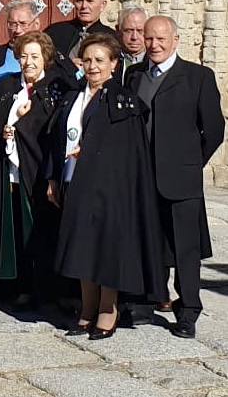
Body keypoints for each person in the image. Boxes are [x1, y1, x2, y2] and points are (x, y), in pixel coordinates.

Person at [47, 34, 166, 340]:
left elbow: (127, 153)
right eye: (87, 60)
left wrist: (92, 156)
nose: (93, 66)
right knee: (82, 250)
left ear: (114, 64)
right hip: (74, 184)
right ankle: (86, 309)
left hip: (108, 190)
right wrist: (52, 178)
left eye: (100, 60)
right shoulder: (73, 97)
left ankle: (106, 311)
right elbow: (57, 140)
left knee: (106, 252)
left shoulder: (123, 102)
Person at [125, 15, 225, 339]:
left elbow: (214, 130)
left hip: (180, 179)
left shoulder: (198, 76)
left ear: (176, 40)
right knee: (147, 242)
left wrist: (189, 163)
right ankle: (145, 300)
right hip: (142, 178)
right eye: (148, 38)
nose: (153, 45)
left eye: (160, 39)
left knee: (185, 248)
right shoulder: (134, 74)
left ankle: (188, 310)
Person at [0, 31, 69, 307]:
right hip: (7, 169)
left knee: (37, 229)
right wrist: (4, 129)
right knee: (10, 227)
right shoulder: (7, 86)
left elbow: (54, 128)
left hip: (37, 171)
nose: (28, 62)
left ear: (45, 59)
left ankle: (41, 287)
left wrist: (23, 124)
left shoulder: (54, 88)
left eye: (34, 56)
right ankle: (12, 281)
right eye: (23, 56)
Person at [44, 0, 115, 68]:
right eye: (79, 1)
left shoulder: (111, 37)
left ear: (102, 5)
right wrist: (67, 66)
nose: (84, 6)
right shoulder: (55, 32)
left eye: (90, 1)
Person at [0, 0, 42, 85]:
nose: (18, 30)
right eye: (12, 24)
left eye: (23, 24)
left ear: (36, 24)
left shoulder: (50, 56)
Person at [114, 5, 148, 83]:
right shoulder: (109, 60)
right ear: (118, 30)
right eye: (129, 31)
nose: (134, 37)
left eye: (140, 31)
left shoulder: (155, 62)